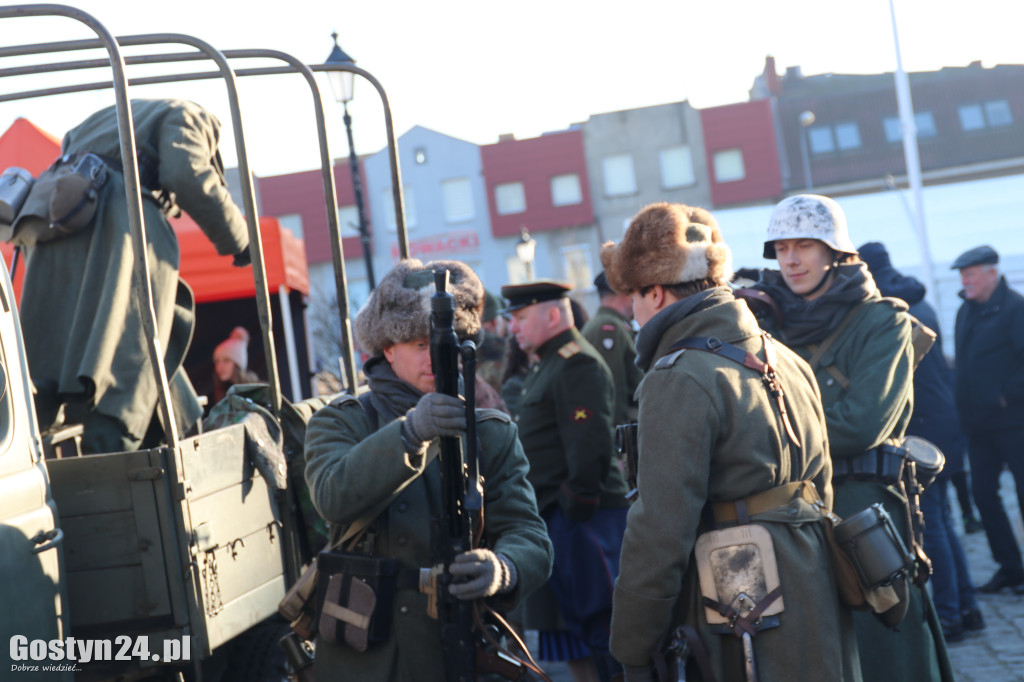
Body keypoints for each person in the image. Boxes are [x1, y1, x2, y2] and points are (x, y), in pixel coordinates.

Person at [602, 202, 859, 682]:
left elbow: (660, 528)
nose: (631, 312)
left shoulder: (676, 376)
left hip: (743, 599)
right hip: (813, 578)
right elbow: (822, 485)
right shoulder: (784, 356)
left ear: (654, 293)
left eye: (631, 296)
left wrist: (632, 646)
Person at [303, 258, 553, 681]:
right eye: (420, 345)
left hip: (465, 642)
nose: (436, 359)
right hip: (373, 654)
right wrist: (409, 432)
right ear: (387, 348)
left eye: (445, 346)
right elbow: (332, 496)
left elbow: (530, 536)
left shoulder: (490, 432)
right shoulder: (343, 420)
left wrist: (503, 568)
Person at [753, 194, 952, 682]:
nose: (791, 259)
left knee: (887, 651)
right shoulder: (768, 326)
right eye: (781, 248)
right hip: (797, 513)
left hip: (865, 511)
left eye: (805, 245)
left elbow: (864, 423)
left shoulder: (883, 321)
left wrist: (772, 439)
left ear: (835, 252)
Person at [14, 99, 250, 454]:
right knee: (134, 345)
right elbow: (186, 171)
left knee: (70, 351)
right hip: (117, 225)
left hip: (58, 223)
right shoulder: (189, 115)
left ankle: (178, 424)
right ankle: (116, 441)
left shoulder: (95, 122)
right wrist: (240, 240)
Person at [500, 279, 629, 682]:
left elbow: (589, 442)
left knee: (605, 625)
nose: (513, 328)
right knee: (585, 627)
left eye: (521, 318)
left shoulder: (576, 362)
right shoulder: (550, 362)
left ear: (552, 314)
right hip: (564, 515)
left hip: (585, 516)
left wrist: (576, 503)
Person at [859, 241, 985, 642]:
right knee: (944, 523)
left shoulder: (894, 313)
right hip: (943, 422)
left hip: (923, 429)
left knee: (931, 526)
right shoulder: (919, 302)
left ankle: (949, 615)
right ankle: (967, 607)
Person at [950, 244, 1024, 595]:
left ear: (992, 273)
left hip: (1013, 421)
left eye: (971, 273)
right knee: (982, 493)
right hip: (978, 425)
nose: (965, 280)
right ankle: (1010, 567)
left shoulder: (1015, 308)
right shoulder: (965, 310)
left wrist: (1005, 395)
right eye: (963, 275)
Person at [582, 271, 643, 428]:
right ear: (624, 293)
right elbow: (615, 387)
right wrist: (620, 434)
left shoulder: (610, 324)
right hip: (622, 425)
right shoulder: (608, 327)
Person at [211, 326, 260, 405]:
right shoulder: (219, 393)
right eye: (217, 361)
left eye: (226, 360)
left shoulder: (256, 391)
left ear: (238, 365)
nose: (220, 366)